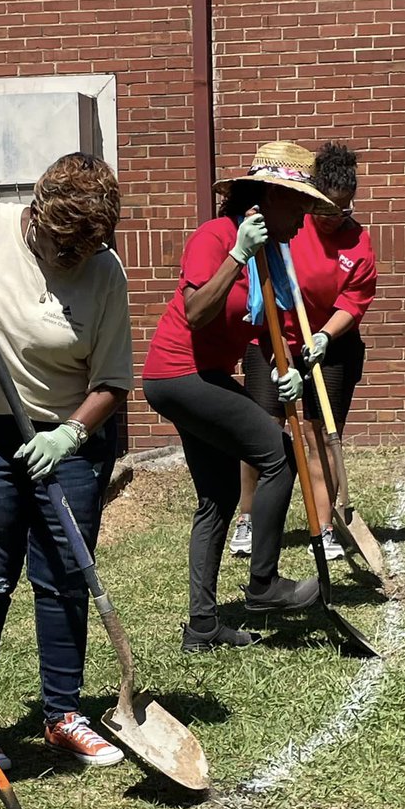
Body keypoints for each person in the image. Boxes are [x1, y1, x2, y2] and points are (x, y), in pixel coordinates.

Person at [0, 153, 132, 773]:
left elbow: (112, 381)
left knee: (64, 576)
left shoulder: (104, 273)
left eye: (85, 248)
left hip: (67, 440)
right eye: (61, 246)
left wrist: (69, 436)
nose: (70, 260)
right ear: (37, 215)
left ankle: (62, 712)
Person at [142, 140, 338, 653]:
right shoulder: (218, 237)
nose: (303, 220)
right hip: (178, 374)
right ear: (269, 198)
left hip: (201, 374)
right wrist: (238, 254)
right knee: (279, 457)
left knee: (218, 497)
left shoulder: (269, 254)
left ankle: (202, 626)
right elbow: (198, 312)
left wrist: (283, 365)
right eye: (298, 206)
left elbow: (257, 326)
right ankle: (264, 586)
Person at [228, 142, 377, 562]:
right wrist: (283, 348)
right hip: (272, 338)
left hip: (330, 347)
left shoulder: (357, 241)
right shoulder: (289, 227)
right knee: (262, 431)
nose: (336, 218)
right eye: (329, 208)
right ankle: (248, 519)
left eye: (345, 209)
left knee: (318, 435)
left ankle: (325, 526)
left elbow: (354, 300)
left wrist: (325, 336)